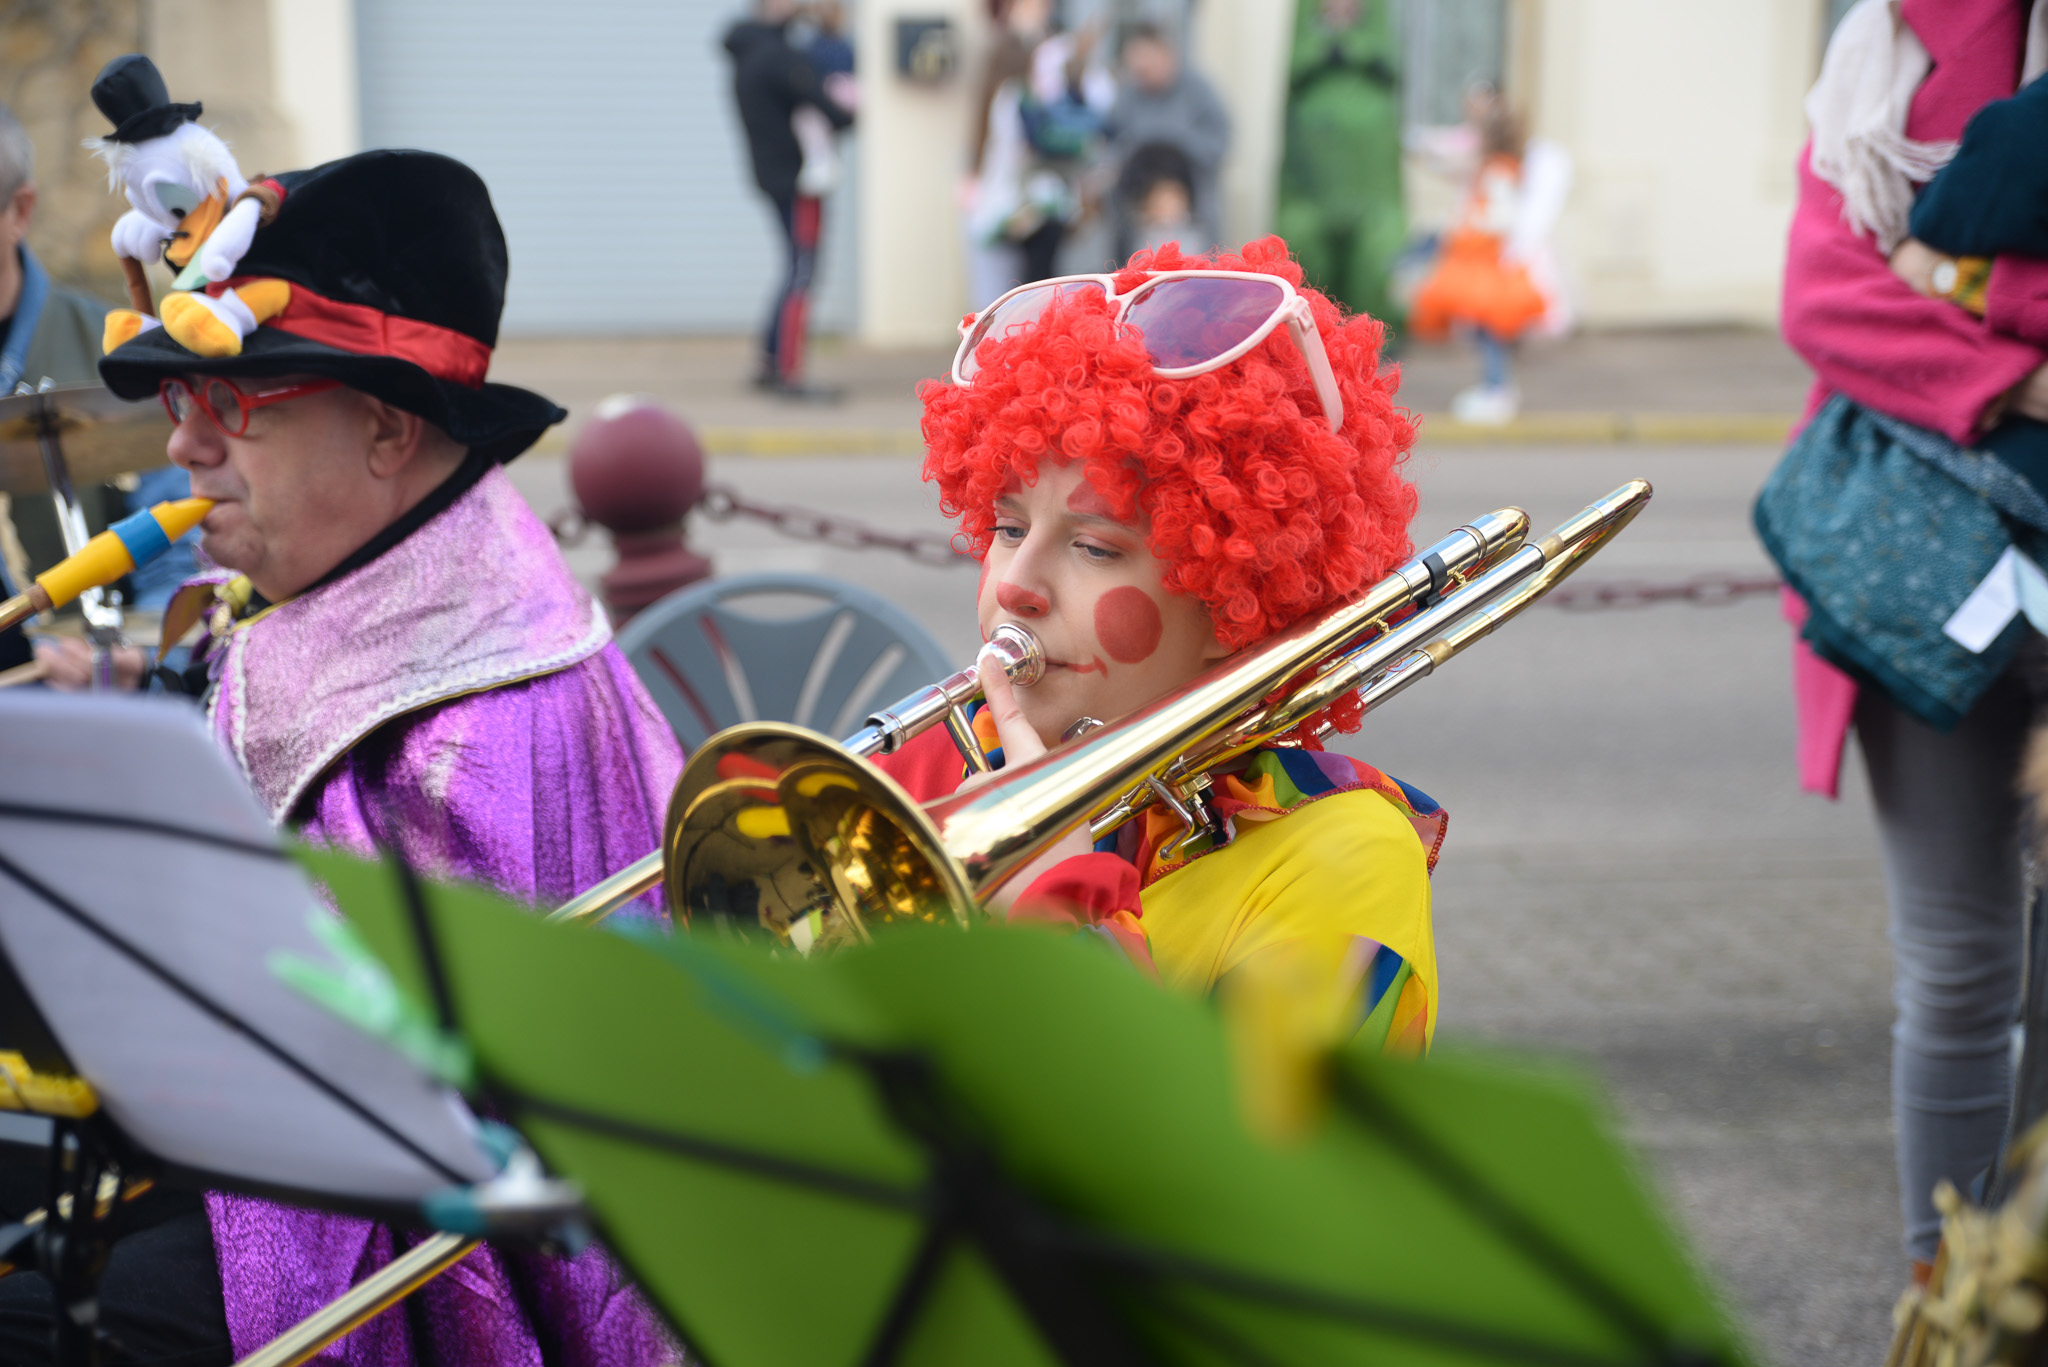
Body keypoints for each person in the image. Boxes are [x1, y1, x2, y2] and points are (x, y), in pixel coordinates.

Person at [0, 149, 685, 1366]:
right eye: (182, 400)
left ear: (385, 425)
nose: (186, 446)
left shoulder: (480, 720)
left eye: (237, 402)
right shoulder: (345, 578)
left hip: (388, 1243)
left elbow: (400, 1132)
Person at [880, 236, 1440, 1051]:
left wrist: (1058, 916)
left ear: (1232, 600)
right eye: (1008, 527)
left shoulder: (1345, 856)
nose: (1015, 584)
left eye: (1094, 547)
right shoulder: (956, 759)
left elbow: (1233, 1137)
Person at [1757, 0, 2048, 1285]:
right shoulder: (1887, 48)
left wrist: (1949, 282)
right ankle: (1946, 1300)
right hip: (1915, 568)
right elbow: (1825, 297)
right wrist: (2014, 376)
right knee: (1956, 964)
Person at [0, 100, 122, 679]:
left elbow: (180, 572)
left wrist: (140, 665)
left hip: (77, 705)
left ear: (20, 210)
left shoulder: (117, 351)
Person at [1408, 88, 1571, 424]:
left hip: (1492, 265)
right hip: (1482, 262)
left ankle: (1498, 390)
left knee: (1490, 329)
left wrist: (1473, 223)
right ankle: (1496, 387)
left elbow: (1504, 215)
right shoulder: (1491, 166)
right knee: (1484, 330)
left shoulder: (1500, 169)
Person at [725, 0, 854, 400]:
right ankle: (790, 374)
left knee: (792, 268)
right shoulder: (780, 57)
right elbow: (838, 113)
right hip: (800, 182)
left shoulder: (748, 50)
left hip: (775, 178)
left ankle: (770, 360)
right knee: (802, 272)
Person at [961, 0, 1112, 307]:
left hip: (1020, 204)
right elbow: (1042, 141)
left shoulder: (1014, 96)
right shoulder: (1017, 98)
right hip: (1017, 204)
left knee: (1018, 291)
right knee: (1023, 293)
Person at [1274, 0, 1405, 329]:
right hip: (1312, 194)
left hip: (1369, 195)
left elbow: (1386, 63)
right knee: (1304, 254)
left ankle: (1371, 333)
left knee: (1373, 262)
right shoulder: (1308, 60)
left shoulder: (1376, 65)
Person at [1101, 22, 1230, 262]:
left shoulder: (1198, 91)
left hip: (1191, 202)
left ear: (1167, 55)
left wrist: (1181, 146)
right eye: (1137, 69)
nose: (1143, 73)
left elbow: (1219, 141)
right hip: (1138, 208)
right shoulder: (1128, 95)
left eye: (1148, 65)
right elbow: (1110, 142)